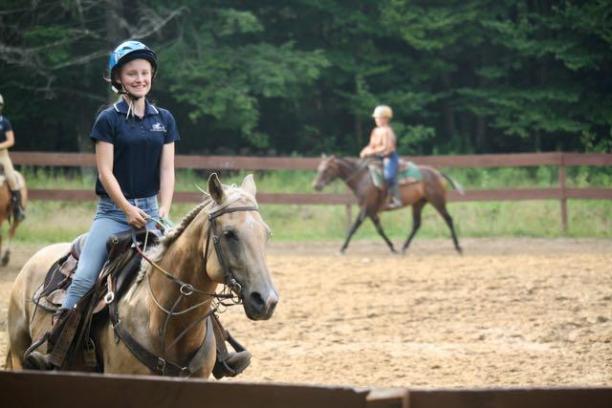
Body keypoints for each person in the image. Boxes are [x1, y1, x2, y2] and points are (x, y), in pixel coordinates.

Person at [24, 40, 250, 377]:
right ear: (118, 79)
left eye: (144, 73)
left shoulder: (165, 120)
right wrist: (127, 209)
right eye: (132, 73)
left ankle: (219, 348)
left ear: (152, 77)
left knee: (190, 273)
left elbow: (167, 170)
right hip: (113, 214)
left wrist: (164, 209)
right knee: (86, 276)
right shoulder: (108, 120)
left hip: (153, 212)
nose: (139, 78)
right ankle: (53, 346)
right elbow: (105, 171)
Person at [359, 105, 401, 208]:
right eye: (376, 118)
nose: (376, 120)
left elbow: (387, 148)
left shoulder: (388, 131)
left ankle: (395, 199)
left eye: (378, 117)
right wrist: (365, 151)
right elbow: (371, 145)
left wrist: (371, 152)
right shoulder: (375, 131)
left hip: (389, 157)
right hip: (376, 157)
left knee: (389, 176)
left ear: (386, 119)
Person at [0, 93, 26, 221]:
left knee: (11, 179)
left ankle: (18, 209)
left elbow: (11, 141)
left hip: (2, 156)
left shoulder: (5, 123)